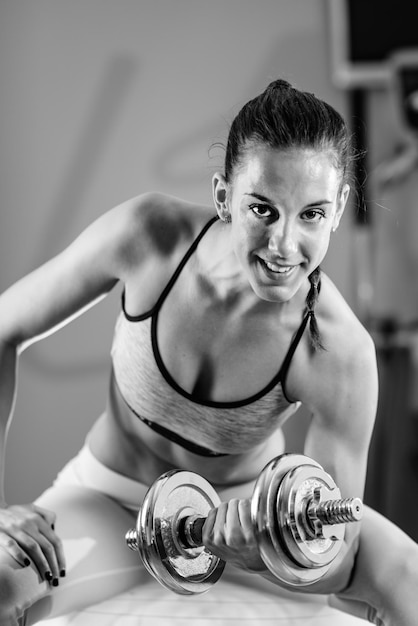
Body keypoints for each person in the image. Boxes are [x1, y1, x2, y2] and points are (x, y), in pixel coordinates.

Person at [0, 78, 379, 624]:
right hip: (109, 501)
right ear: (224, 196)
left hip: (248, 518)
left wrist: (265, 551)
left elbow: (332, 545)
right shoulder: (148, 237)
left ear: (340, 207)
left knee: (408, 579)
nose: (284, 246)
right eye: (263, 210)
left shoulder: (340, 351)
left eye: (312, 214)